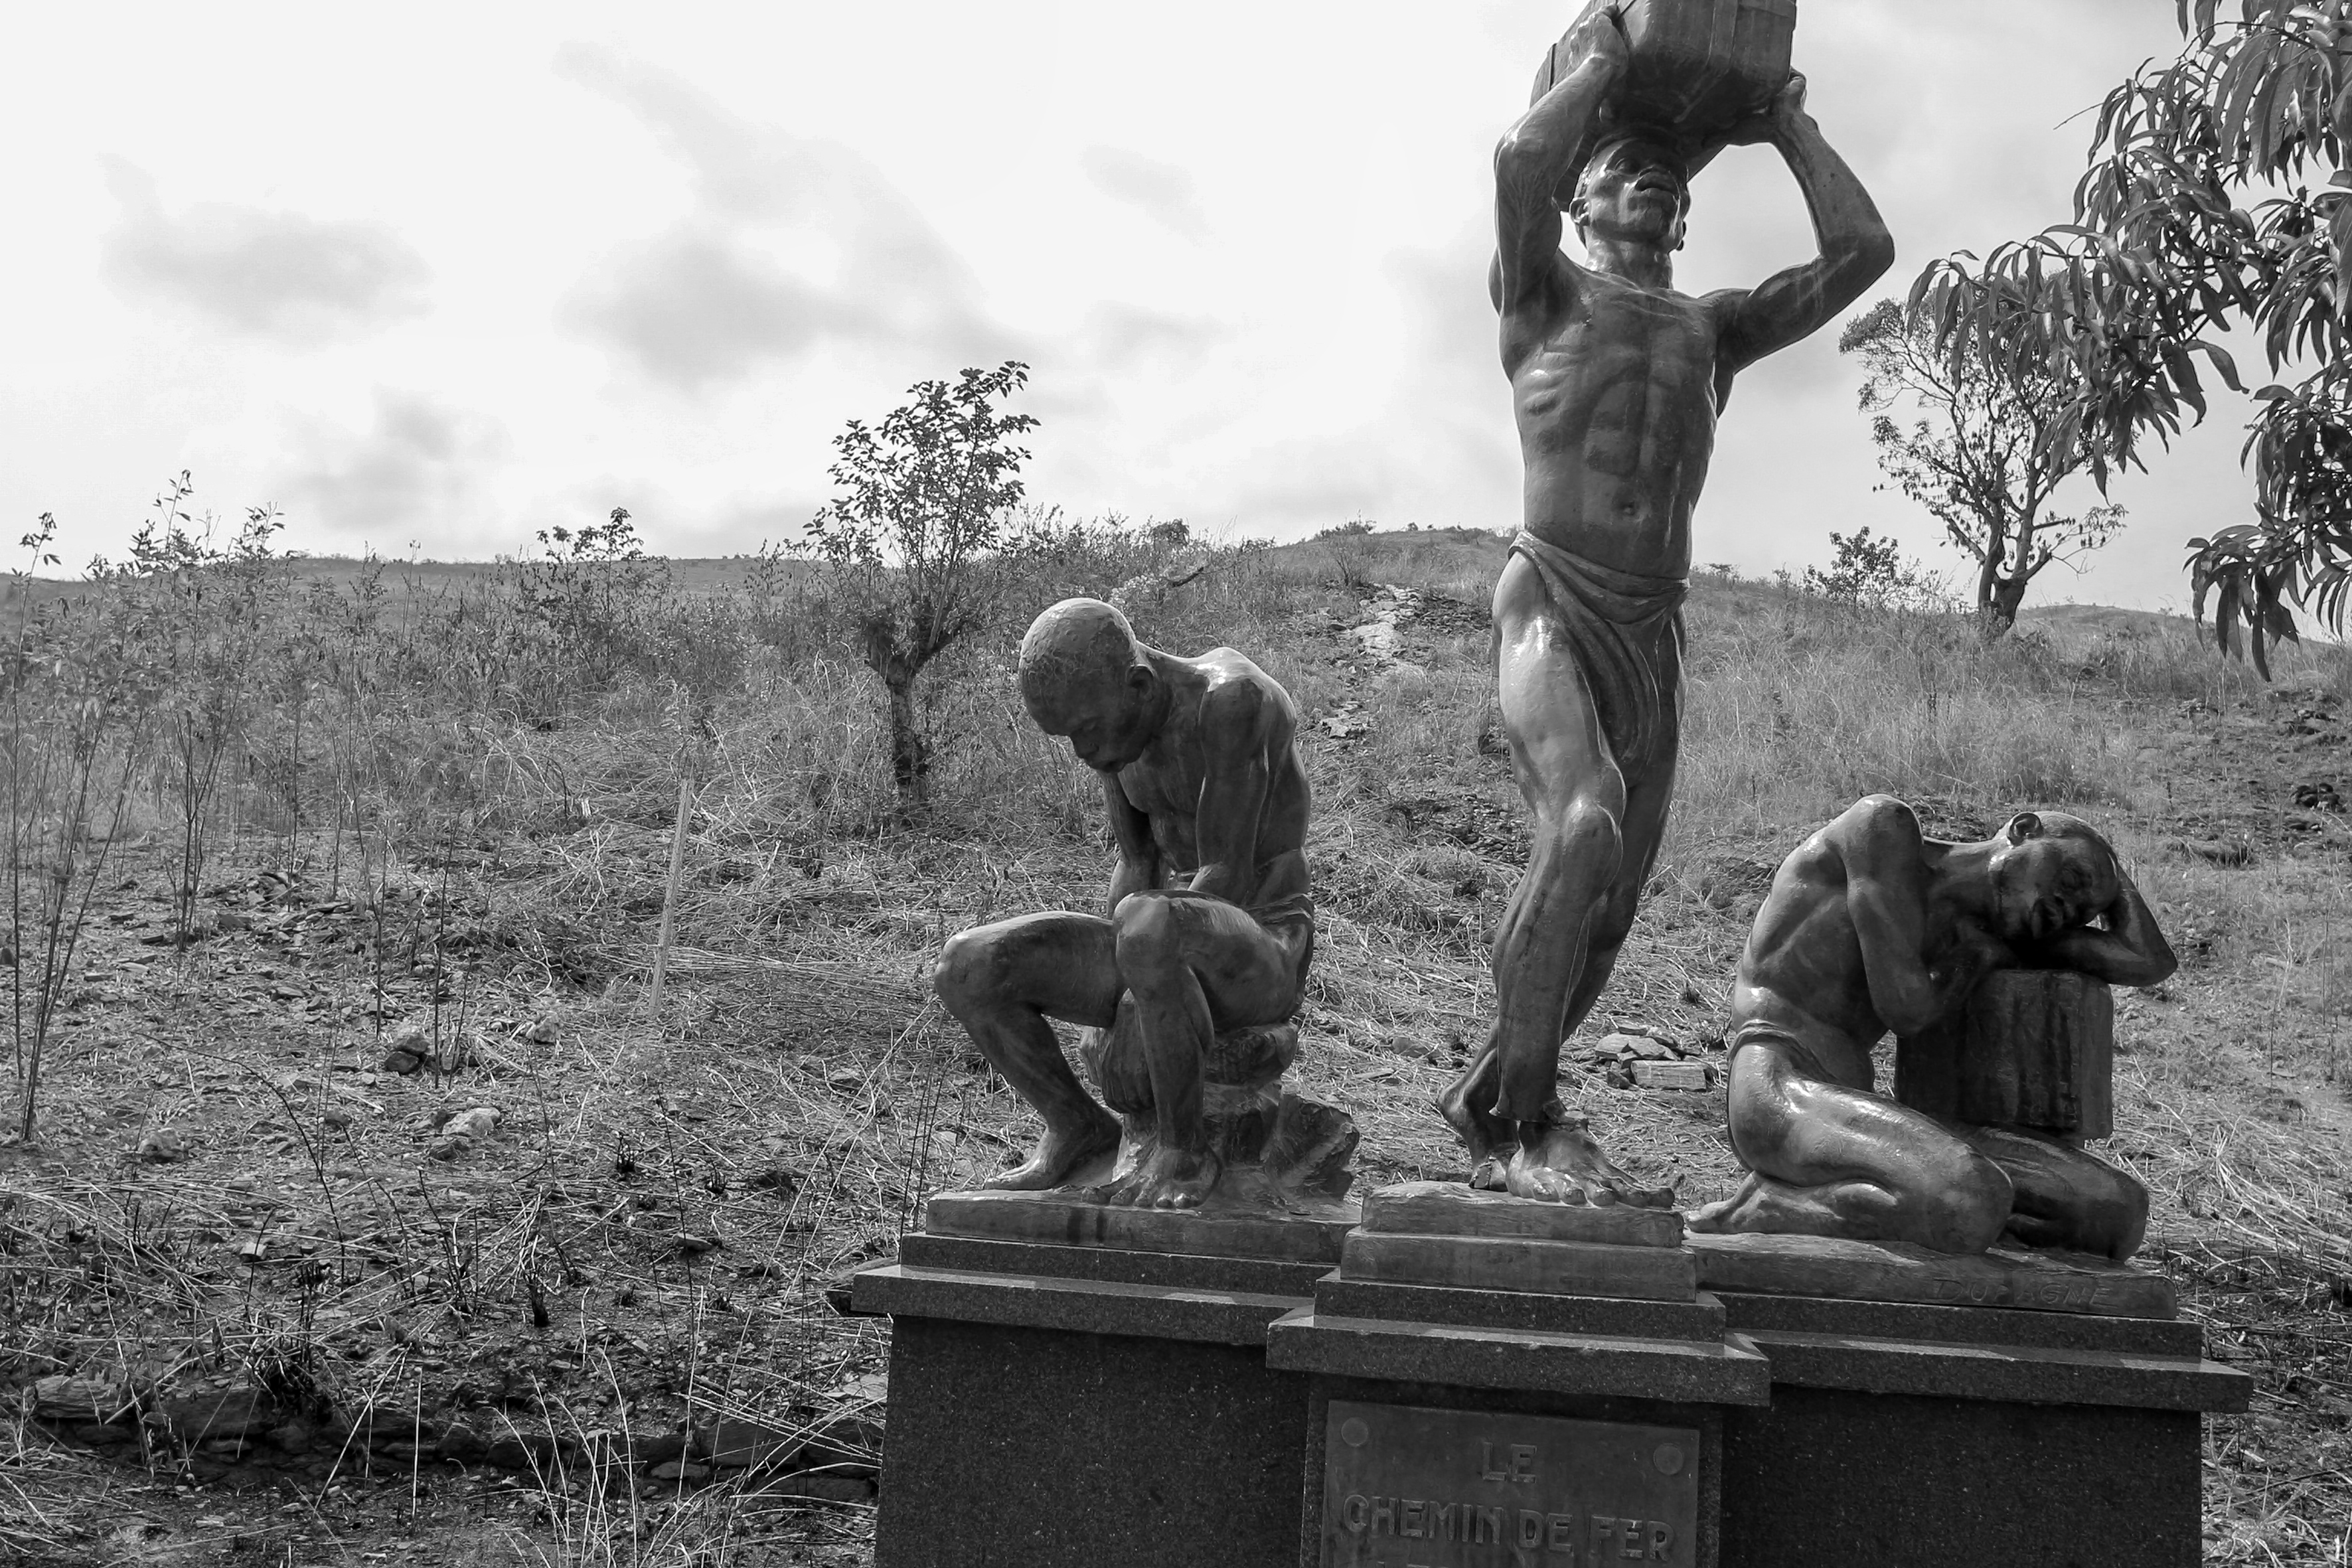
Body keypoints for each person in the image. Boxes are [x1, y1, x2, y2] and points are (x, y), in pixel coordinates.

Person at [1437, 5, 1895, 1204]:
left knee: (1606, 902)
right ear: (1582, 207)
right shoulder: (1540, 296)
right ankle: (1526, 1119)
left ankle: (1496, 1092)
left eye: (1664, 177)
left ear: (1686, 214)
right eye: (1620, 172)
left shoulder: (1712, 330)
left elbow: (1860, 254)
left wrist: (1788, 128)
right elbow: (1517, 161)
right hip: (1551, 594)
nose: (1647, 182)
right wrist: (1596, 69)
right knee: (1581, 822)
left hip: (1652, 619)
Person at [933, 598, 1314, 1211]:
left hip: (1260, 945)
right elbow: (1136, 866)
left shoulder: (1231, 702)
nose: (1081, 751)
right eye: (1067, 737)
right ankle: (1076, 1127)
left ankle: (1183, 1151)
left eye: (1086, 730)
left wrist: (1137, 989)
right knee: (969, 963)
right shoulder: (1122, 735)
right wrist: (1124, 978)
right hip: (1158, 933)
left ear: (1137, 685)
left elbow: (1228, 868)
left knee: (1148, 922)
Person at [1687, 799, 2177, 1259]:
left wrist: (2106, 872)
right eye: (2069, 879)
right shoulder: (1882, 830)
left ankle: (1932, 1219)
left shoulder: (1998, 927)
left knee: (2113, 1211)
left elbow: (2147, 961)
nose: (2064, 909)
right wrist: (1973, 957)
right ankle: (1773, 1207)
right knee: (1969, 1195)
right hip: (1778, 1091)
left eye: (2079, 913)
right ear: (2023, 829)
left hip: (1862, 1117)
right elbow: (1905, 1007)